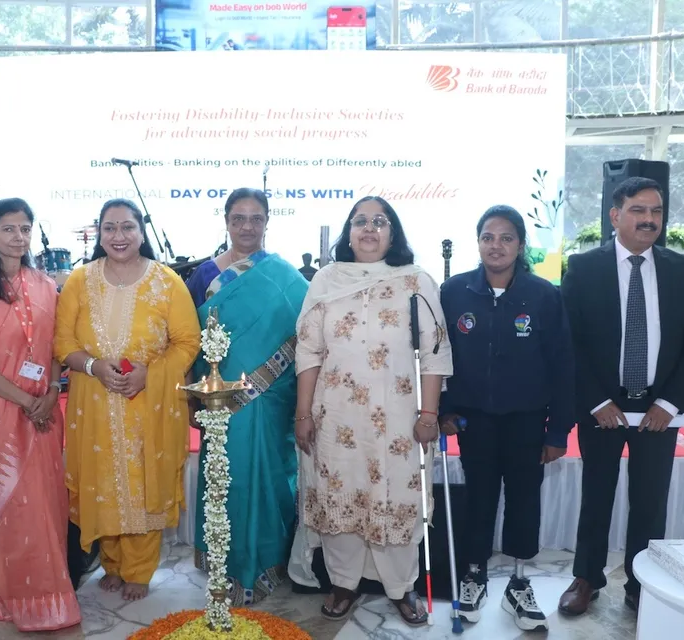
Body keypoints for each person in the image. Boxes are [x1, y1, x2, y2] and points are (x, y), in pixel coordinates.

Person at [293, 196, 453, 625]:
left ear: (392, 233)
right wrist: (303, 414)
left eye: (379, 221)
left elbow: (435, 355)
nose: (368, 228)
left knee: (397, 496)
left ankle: (402, 587)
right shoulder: (326, 280)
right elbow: (308, 351)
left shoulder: (416, 280)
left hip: (400, 418)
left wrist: (428, 415)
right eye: (360, 221)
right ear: (348, 232)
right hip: (336, 417)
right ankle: (343, 583)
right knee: (339, 496)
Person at [558, 177, 684, 616]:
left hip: (659, 411)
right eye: (638, 210)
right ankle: (586, 578)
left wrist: (669, 404)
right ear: (615, 216)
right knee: (597, 495)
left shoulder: (682, 268)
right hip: (603, 407)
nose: (649, 220)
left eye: (656, 211)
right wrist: (595, 401)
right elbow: (571, 342)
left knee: (650, 502)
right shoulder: (585, 267)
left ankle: (641, 586)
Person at [54, 198, 200, 601]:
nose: (118, 236)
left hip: (148, 403)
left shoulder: (167, 281)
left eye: (127, 227)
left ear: (141, 232)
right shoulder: (80, 281)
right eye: (109, 228)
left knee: (142, 483)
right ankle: (112, 562)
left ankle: (139, 568)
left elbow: (187, 341)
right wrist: (93, 366)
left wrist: (149, 375)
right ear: (99, 233)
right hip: (95, 399)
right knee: (102, 480)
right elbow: (63, 341)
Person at [439, 205, 575, 631]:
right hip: (473, 420)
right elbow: (438, 359)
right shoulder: (454, 291)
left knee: (524, 499)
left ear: (520, 245)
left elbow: (562, 365)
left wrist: (557, 430)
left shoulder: (543, 295)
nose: (496, 245)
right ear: (478, 242)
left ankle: (518, 582)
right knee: (479, 497)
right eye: (488, 237)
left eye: (506, 238)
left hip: (527, 421)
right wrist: (443, 410)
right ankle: (474, 574)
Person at [0, 198, 81, 631]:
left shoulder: (47, 284)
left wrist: (50, 390)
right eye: (8, 229)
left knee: (45, 505)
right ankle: (12, 597)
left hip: (43, 413)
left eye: (25, 228)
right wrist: (28, 402)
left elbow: (54, 350)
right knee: (10, 506)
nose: (19, 237)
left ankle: (51, 600)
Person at [184, 187, 309, 605]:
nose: (247, 226)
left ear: (268, 221)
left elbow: (301, 339)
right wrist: (193, 395)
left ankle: (270, 562)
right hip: (222, 404)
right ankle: (226, 566)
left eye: (256, 218)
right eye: (239, 218)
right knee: (227, 478)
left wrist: (264, 381)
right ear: (226, 221)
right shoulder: (204, 275)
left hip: (272, 399)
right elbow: (191, 339)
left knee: (271, 474)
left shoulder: (287, 277)